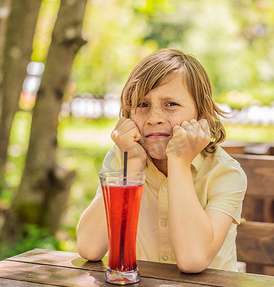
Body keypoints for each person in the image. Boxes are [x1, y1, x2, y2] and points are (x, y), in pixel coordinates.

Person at [76, 48, 247, 273]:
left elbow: (193, 260)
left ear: (200, 113)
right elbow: (89, 248)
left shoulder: (225, 173)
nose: (154, 118)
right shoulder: (123, 158)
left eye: (171, 105)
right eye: (143, 105)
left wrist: (179, 162)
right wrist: (132, 166)